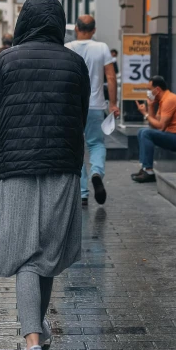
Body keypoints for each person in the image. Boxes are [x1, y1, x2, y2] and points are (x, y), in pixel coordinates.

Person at [0, 0, 90, 350]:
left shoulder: (6, 61)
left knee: (31, 259)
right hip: (62, 169)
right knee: (45, 255)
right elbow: (79, 117)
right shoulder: (75, 63)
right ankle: (37, 332)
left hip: (15, 170)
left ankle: (32, 345)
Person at [66, 15, 120, 206]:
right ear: (94, 30)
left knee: (76, 147)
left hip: (72, 107)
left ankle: (82, 193)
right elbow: (111, 77)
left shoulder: (68, 48)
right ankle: (97, 172)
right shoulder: (102, 48)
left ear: (76, 29)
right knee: (96, 144)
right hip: (96, 105)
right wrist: (113, 103)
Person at [132, 76, 176, 183]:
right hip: (170, 135)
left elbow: (161, 126)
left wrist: (145, 114)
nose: (148, 93)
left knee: (145, 133)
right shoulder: (163, 100)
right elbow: (154, 125)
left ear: (157, 90)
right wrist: (150, 106)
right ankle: (145, 168)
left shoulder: (169, 100)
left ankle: (148, 171)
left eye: (149, 89)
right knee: (141, 131)